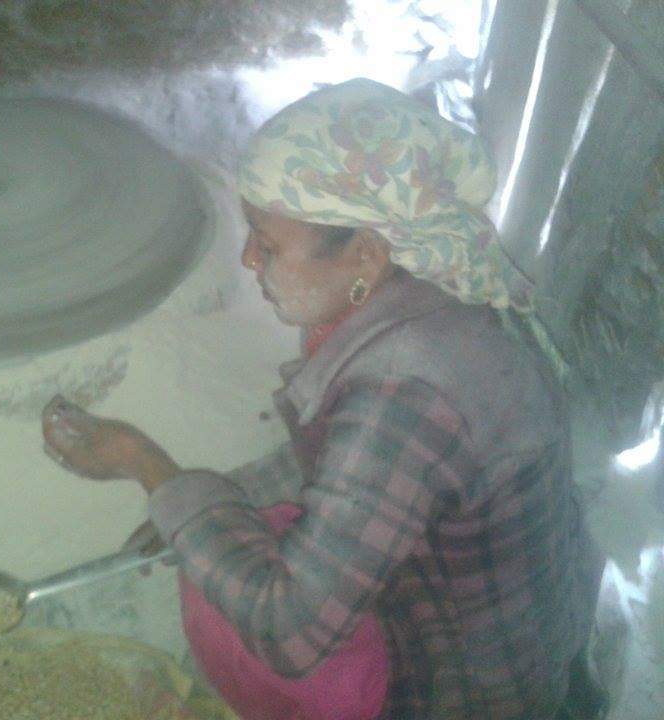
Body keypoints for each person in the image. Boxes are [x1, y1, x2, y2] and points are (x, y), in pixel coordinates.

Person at [41, 79, 605, 720]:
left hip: (465, 693)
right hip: (511, 631)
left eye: (268, 243)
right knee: (229, 534)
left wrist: (150, 469)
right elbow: (349, 461)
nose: (248, 258)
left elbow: (288, 632)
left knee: (221, 596)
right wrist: (208, 496)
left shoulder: (405, 393)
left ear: (366, 253)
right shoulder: (427, 296)